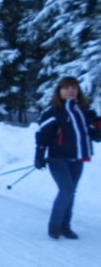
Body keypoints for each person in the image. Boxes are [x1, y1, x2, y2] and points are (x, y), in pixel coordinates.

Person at [35, 76, 101, 239]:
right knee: (67, 190)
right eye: (67, 88)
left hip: (78, 158)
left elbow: (90, 133)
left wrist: (97, 130)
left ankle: (66, 227)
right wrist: (39, 155)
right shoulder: (53, 112)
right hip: (58, 159)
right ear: (59, 91)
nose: (71, 91)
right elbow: (43, 135)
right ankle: (55, 226)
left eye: (74, 88)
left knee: (71, 192)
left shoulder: (83, 111)